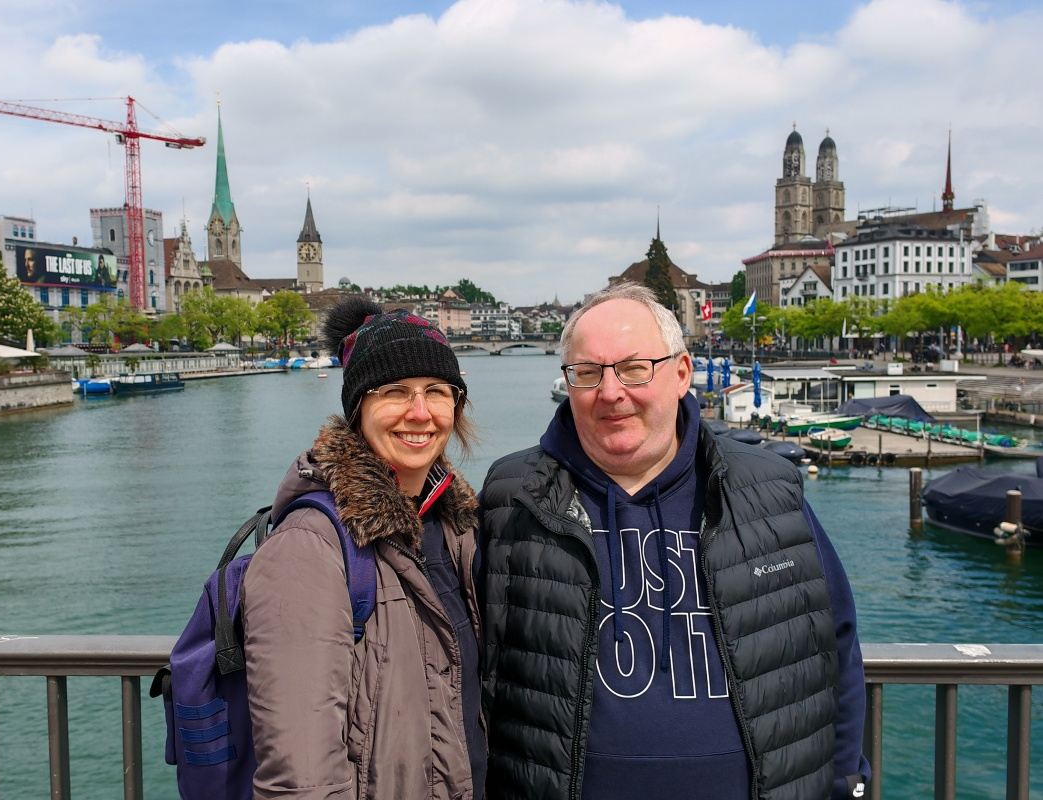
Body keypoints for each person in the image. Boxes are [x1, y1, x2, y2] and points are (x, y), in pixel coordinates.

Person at [481, 282, 868, 800]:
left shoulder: (769, 487)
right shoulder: (512, 495)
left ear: (681, 373)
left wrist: (845, 782)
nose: (610, 392)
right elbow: (472, 658)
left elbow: (834, 640)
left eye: (634, 368)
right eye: (588, 372)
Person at [242, 298, 486, 800]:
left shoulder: (456, 526)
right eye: (394, 392)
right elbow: (301, 780)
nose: (420, 413)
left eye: (437, 392)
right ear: (358, 409)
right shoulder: (309, 547)